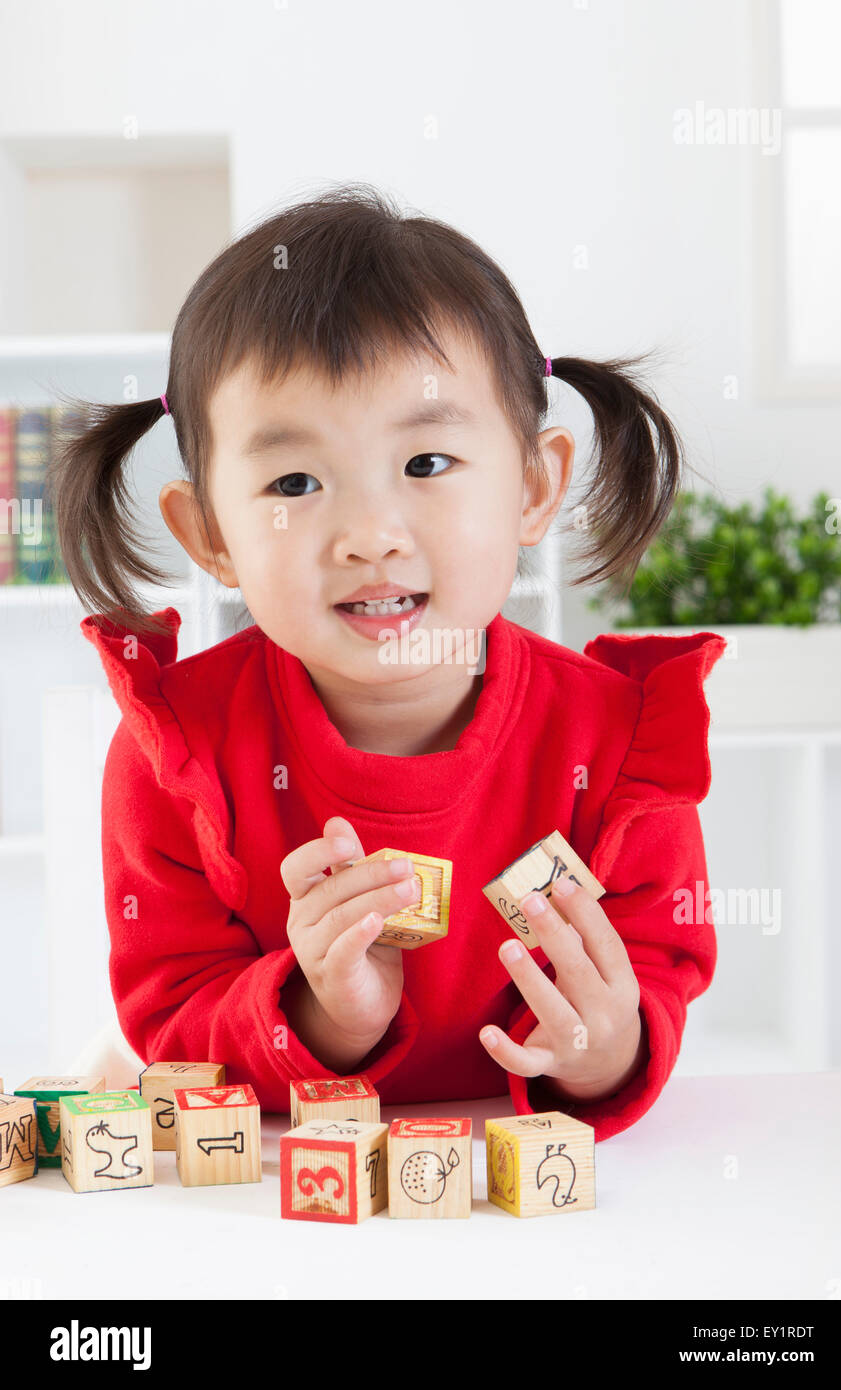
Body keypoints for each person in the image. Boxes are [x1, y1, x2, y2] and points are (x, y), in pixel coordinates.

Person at [49, 183, 725, 1142]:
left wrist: (604, 1043)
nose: (370, 535)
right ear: (212, 537)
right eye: (294, 482)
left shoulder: (618, 745)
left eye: (426, 464)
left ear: (534, 487)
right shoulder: (178, 754)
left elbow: (658, 967)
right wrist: (327, 1013)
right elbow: (171, 1017)